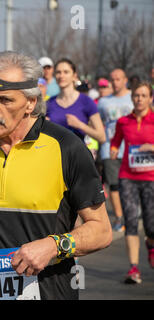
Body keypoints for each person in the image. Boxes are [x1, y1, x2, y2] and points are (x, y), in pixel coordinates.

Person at [0, 51, 112, 300]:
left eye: (5, 100)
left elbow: (102, 230)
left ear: (30, 102)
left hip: (51, 291)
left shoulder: (67, 148)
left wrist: (53, 246)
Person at [110, 82, 154, 284]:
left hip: (151, 178)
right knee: (131, 222)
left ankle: (151, 245)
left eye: (143, 95)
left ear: (150, 98)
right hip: (127, 176)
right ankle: (133, 268)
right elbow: (116, 140)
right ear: (132, 98)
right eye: (136, 95)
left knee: (151, 224)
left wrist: (151, 147)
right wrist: (113, 149)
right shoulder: (123, 121)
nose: (139, 99)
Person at [98, 69, 134, 232]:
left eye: (118, 79)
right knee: (113, 185)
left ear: (125, 80)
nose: (115, 82)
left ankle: (131, 212)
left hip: (131, 147)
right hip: (109, 147)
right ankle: (120, 217)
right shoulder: (104, 102)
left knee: (130, 184)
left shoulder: (133, 97)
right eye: (112, 79)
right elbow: (97, 122)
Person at [46, 58, 106, 145]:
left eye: (66, 72)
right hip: (55, 155)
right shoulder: (49, 103)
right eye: (58, 72)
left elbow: (102, 137)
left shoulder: (86, 102)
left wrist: (80, 125)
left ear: (74, 76)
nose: (61, 76)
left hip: (77, 155)